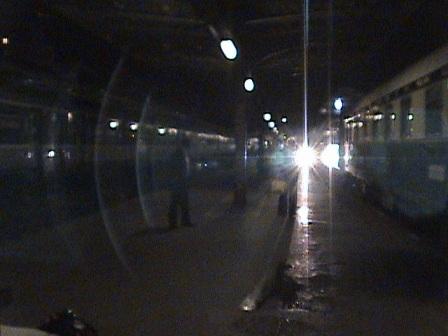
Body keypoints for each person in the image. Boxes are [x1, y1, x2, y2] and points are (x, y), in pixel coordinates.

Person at [168, 136, 193, 228]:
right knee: (177, 202)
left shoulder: (182, 152)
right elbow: (178, 168)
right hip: (179, 181)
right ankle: (176, 222)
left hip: (179, 180)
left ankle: (180, 221)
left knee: (181, 202)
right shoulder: (180, 153)